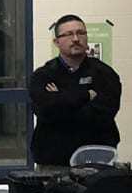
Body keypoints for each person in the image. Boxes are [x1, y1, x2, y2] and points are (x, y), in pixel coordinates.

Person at [27, 14, 122, 166]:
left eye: (81, 33)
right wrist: (85, 95)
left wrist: (60, 99)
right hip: (53, 158)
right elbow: (45, 111)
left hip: (97, 158)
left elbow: (104, 114)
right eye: (69, 34)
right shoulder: (43, 75)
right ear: (56, 42)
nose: (76, 38)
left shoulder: (104, 74)